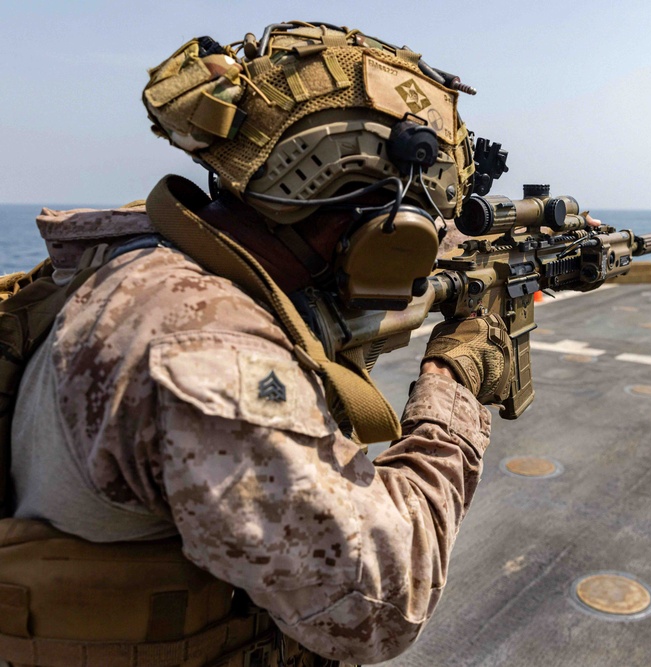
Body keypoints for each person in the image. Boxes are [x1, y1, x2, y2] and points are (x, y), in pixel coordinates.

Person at [0, 22, 513, 667]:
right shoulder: (208, 352)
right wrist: (454, 384)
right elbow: (377, 603)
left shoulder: (148, 256)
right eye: (420, 220)